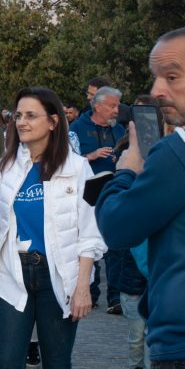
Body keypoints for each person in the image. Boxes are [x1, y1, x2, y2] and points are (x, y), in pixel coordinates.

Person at [95, 25, 185, 369]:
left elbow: (117, 227)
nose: (158, 89)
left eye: (172, 76)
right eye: (156, 77)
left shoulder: (184, 149)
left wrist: (128, 170)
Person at [0, 87, 106, 369]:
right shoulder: (7, 167)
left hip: (59, 277)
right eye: (18, 115)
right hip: (12, 274)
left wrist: (83, 287)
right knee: (8, 367)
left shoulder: (76, 168)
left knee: (57, 368)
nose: (21, 122)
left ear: (52, 121)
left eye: (30, 115)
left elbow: (89, 231)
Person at [69, 86, 125, 313]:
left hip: (114, 195)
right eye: (112, 106)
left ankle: (115, 298)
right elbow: (67, 160)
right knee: (88, 244)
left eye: (117, 106)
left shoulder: (120, 129)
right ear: (97, 106)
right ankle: (88, 292)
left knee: (116, 247)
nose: (116, 110)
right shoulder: (77, 128)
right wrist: (90, 156)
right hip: (87, 199)